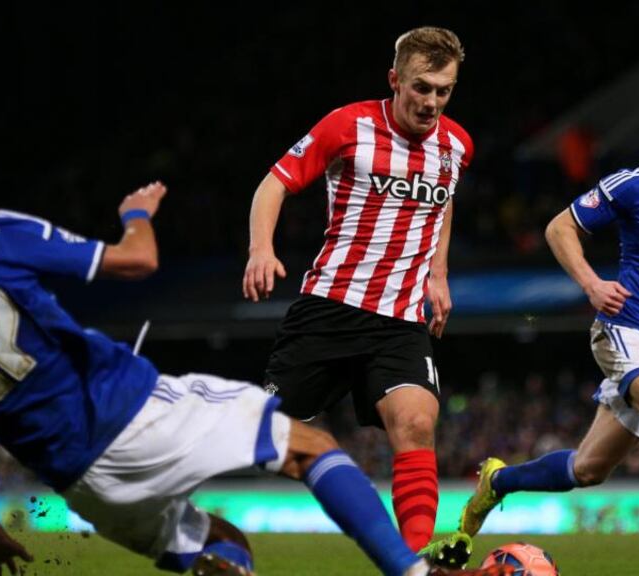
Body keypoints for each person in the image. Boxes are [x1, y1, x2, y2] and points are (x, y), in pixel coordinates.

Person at [0, 138, 507, 576]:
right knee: (310, 447)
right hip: (126, 410)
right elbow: (136, 260)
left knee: (222, 550)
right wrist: (137, 215)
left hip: (78, 482)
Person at [431, 82, 639, 575]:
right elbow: (558, 227)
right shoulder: (634, 184)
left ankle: (496, 484)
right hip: (623, 328)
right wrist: (591, 283)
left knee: (585, 470)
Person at [242, 26, 473, 556]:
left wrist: (437, 275)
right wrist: (261, 248)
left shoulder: (457, 144)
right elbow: (274, 182)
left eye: (444, 90)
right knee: (261, 440)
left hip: (400, 319)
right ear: (395, 80)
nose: (432, 102)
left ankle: (413, 562)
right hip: (329, 307)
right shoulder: (348, 125)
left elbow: (444, 202)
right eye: (421, 87)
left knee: (417, 422)